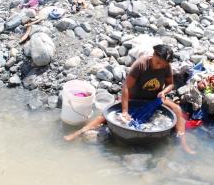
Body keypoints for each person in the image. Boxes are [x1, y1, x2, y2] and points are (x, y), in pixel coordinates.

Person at [64, 45, 195, 154]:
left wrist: (164, 91)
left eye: (164, 64)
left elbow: (170, 84)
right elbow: (126, 86)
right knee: (105, 116)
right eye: (158, 62)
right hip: (134, 98)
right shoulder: (141, 65)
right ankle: (79, 132)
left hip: (153, 98)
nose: (160, 66)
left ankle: (182, 143)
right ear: (154, 54)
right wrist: (125, 111)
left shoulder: (166, 66)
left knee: (177, 110)